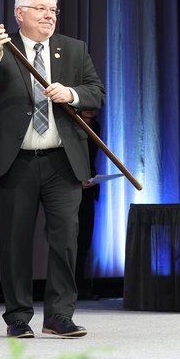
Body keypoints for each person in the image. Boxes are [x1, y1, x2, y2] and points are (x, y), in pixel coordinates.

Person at [0, 0, 105, 339]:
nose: (50, 16)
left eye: (54, 10)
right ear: (20, 13)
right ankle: (17, 317)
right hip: (16, 162)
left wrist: (72, 93)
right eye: (42, 9)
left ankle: (59, 316)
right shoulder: (2, 46)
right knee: (15, 242)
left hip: (62, 161)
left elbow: (96, 92)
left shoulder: (74, 49)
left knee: (65, 239)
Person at [75, 109, 101, 300]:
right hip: (70, 184)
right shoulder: (70, 122)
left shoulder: (96, 126)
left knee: (85, 238)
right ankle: (67, 287)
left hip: (89, 186)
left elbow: (91, 157)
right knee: (68, 239)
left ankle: (80, 283)